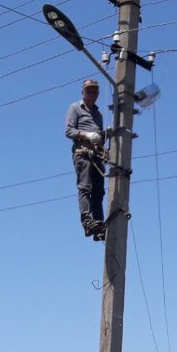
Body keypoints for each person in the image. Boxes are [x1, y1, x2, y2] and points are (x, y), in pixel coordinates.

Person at [65, 77, 107, 240]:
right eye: (89, 90)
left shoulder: (98, 113)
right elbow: (69, 131)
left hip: (97, 154)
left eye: (95, 90)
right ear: (83, 92)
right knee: (85, 187)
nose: (92, 93)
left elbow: (100, 136)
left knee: (99, 191)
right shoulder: (75, 108)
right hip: (82, 152)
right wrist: (86, 135)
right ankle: (88, 221)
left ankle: (99, 223)